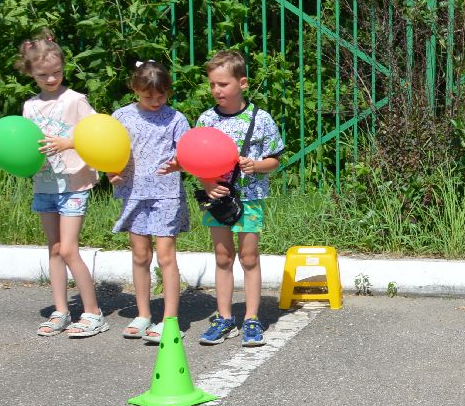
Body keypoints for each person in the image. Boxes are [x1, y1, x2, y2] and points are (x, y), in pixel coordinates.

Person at [18, 30, 106, 338]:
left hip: (73, 184)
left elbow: (97, 135)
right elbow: (26, 144)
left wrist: (67, 143)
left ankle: (93, 312)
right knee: (54, 249)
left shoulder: (75, 101)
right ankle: (60, 310)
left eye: (56, 72)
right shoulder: (30, 107)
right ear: (31, 73)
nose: (52, 79)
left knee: (69, 249)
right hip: (44, 185)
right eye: (43, 75)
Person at [194, 50, 284, 348]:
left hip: (251, 197)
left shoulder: (261, 119)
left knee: (248, 257)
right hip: (217, 199)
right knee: (222, 257)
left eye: (223, 84)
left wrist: (255, 165)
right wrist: (206, 183)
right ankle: (223, 317)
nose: (216, 91)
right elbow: (195, 160)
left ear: (242, 83)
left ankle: (252, 318)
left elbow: (276, 160)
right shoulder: (206, 120)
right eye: (212, 85)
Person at [108, 60, 191, 343]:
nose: (156, 101)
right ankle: (143, 314)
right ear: (135, 89)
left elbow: (189, 155)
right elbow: (109, 149)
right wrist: (111, 170)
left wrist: (178, 165)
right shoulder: (121, 116)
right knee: (140, 255)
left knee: (166, 257)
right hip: (133, 194)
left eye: (161, 95)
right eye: (148, 96)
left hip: (167, 194)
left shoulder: (176, 119)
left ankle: (169, 320)